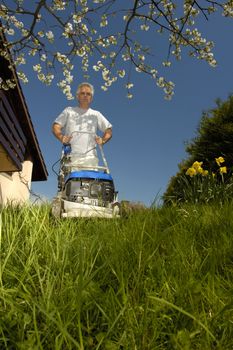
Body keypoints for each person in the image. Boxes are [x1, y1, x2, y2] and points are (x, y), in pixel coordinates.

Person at [52, 82, 112, 169]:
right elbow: (56, 126)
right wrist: (61, 137)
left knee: (92, 181)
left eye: (88, 94)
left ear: (91, 98)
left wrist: (103, 140)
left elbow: (108, 130)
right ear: (77, 96)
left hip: (90, 158)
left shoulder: (96, 114)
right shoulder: (69, 111)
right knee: (72, 182)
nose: (85, 96)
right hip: (70, 157)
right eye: (82, 93)